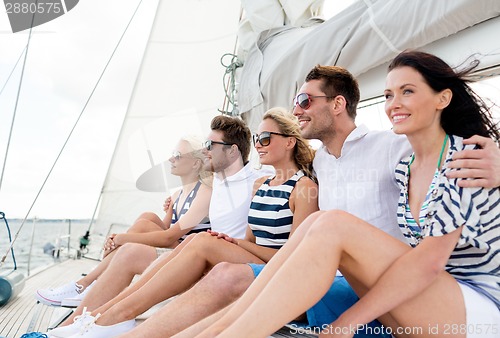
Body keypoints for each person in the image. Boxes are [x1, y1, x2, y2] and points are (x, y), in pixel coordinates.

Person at [119, 64, 500, 338]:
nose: (392, 103)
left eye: (407, 91)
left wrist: (345, 325)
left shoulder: (431, 154)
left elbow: (428, 262)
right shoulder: (390, 166)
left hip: (472, 306)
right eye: (386, 94)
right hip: (396, 287)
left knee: (327, 223)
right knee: (313, 229)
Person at [53, 108, 318, 338]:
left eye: (265, 138)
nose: (259, 143)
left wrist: (230, 241)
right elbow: (247, 239)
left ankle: (107, 315)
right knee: (186, 238)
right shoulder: (257, 185)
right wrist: (173, 205)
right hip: (229, 258)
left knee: (198, 240)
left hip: (264, 268)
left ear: (289, 142)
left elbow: (294, 255)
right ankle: (98, 315)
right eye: (257, 138)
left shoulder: (288, 185)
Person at [35, 135, 212, 308]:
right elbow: (164, 229)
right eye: (173, 153)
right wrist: (171, 208)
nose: (171, 158)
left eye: (178, 155)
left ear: (196, 163)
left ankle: (86, 284)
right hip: (176, 248)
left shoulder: (204, 192)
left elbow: (166, 238)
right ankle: (93, 283)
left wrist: (121, 239)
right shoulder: (177, 195)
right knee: (148, 217)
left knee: (143, 224)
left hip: (188, 257)